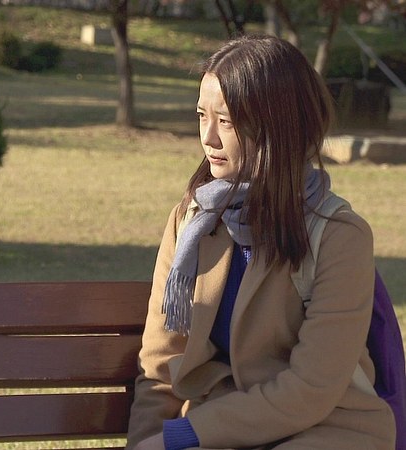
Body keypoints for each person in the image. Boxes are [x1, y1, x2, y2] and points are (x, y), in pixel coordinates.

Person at [126, 35, 395, 450]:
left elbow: (311, 388)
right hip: (221, 430)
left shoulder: (340, 235)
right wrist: (147, 441)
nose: (208, 138)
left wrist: (185, 434)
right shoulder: (192, 220)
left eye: (227, 121)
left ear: (278, 126)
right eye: (201, 116)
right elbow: (161, 364)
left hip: (328, 429)